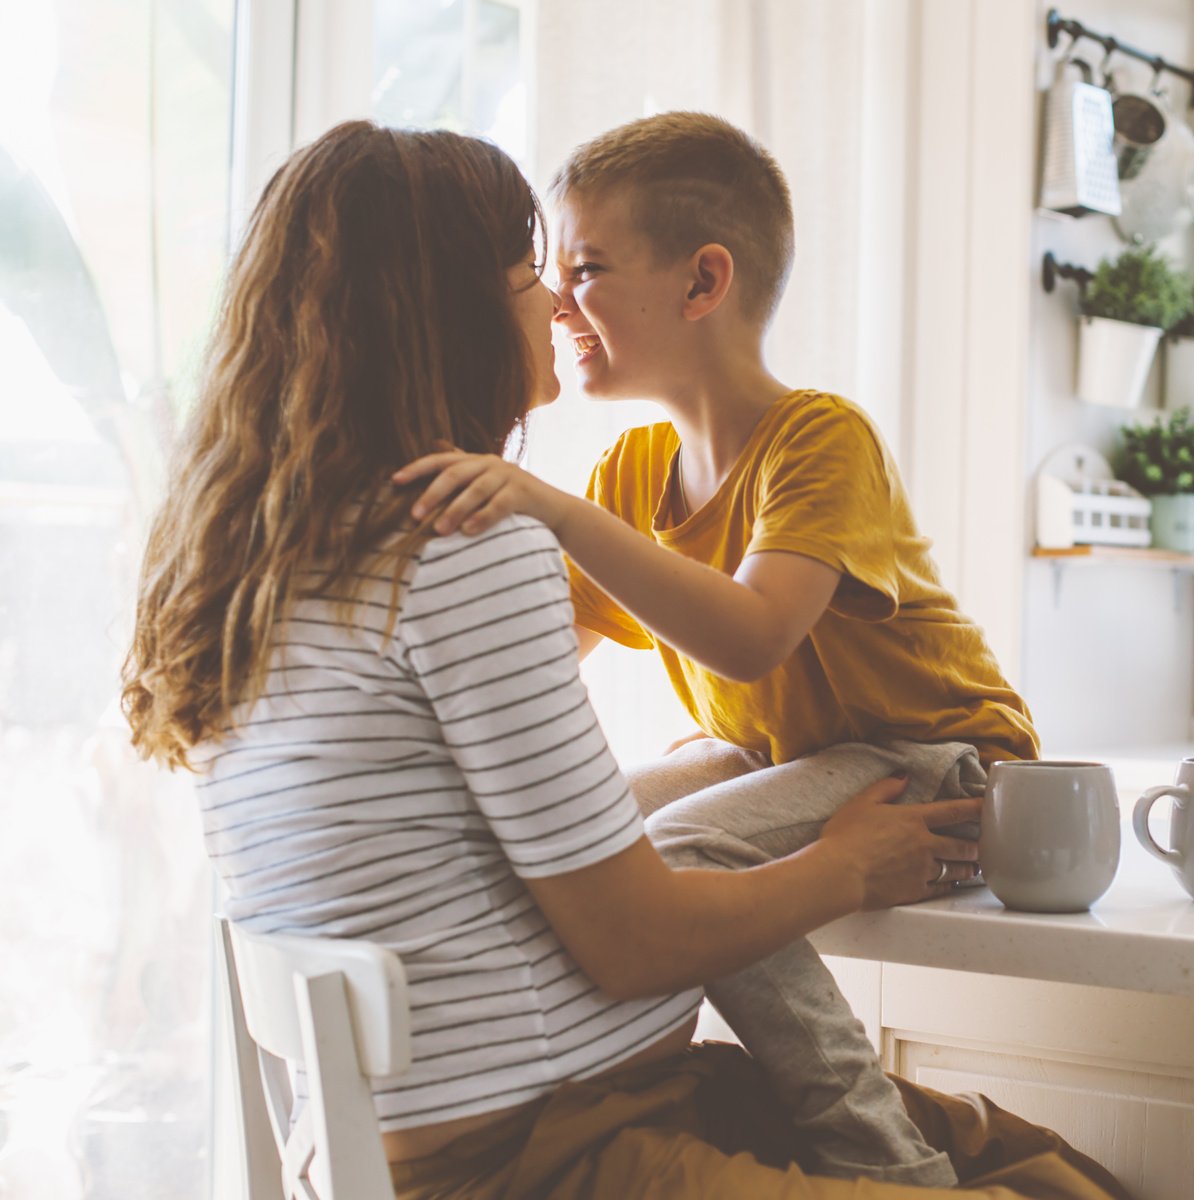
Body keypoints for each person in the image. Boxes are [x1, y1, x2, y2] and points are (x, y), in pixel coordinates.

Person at [121, 120, 1127, 1199]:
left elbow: (609, 679)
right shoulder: (466, 548)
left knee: (1030, 1163)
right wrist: (841, 868)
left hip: (534, 1115)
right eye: (530, 275)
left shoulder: (257, 567)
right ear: (450, 316)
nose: (556, 305)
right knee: (1044, 1183)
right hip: (553, 1148)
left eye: (577, 273)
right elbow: (640, 929)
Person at [391, 112, 1038, 1187]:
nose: (556, 302)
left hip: (940, 758)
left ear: (702, 284)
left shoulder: (821, 438)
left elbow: (751, 634)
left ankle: (882, 1159)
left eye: (586, 268)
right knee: (607, 830)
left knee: (682, 856)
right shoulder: (633, 472)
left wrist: (549, 511)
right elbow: (536, 662)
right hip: (793, 757)